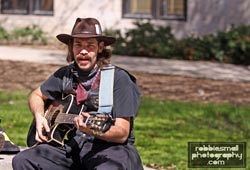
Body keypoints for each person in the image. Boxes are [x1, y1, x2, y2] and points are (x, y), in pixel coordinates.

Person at [12, 17, 143, 170]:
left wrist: (92, 129)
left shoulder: (119, 79)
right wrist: (40, 116)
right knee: (23, 160)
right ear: (71, 48)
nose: (83, 51)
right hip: (72, 147)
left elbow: (122, 133)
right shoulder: (65, 74)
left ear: (100, 47)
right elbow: (36, 95)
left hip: (109, 149)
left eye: (90, 45)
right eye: (78, 45)